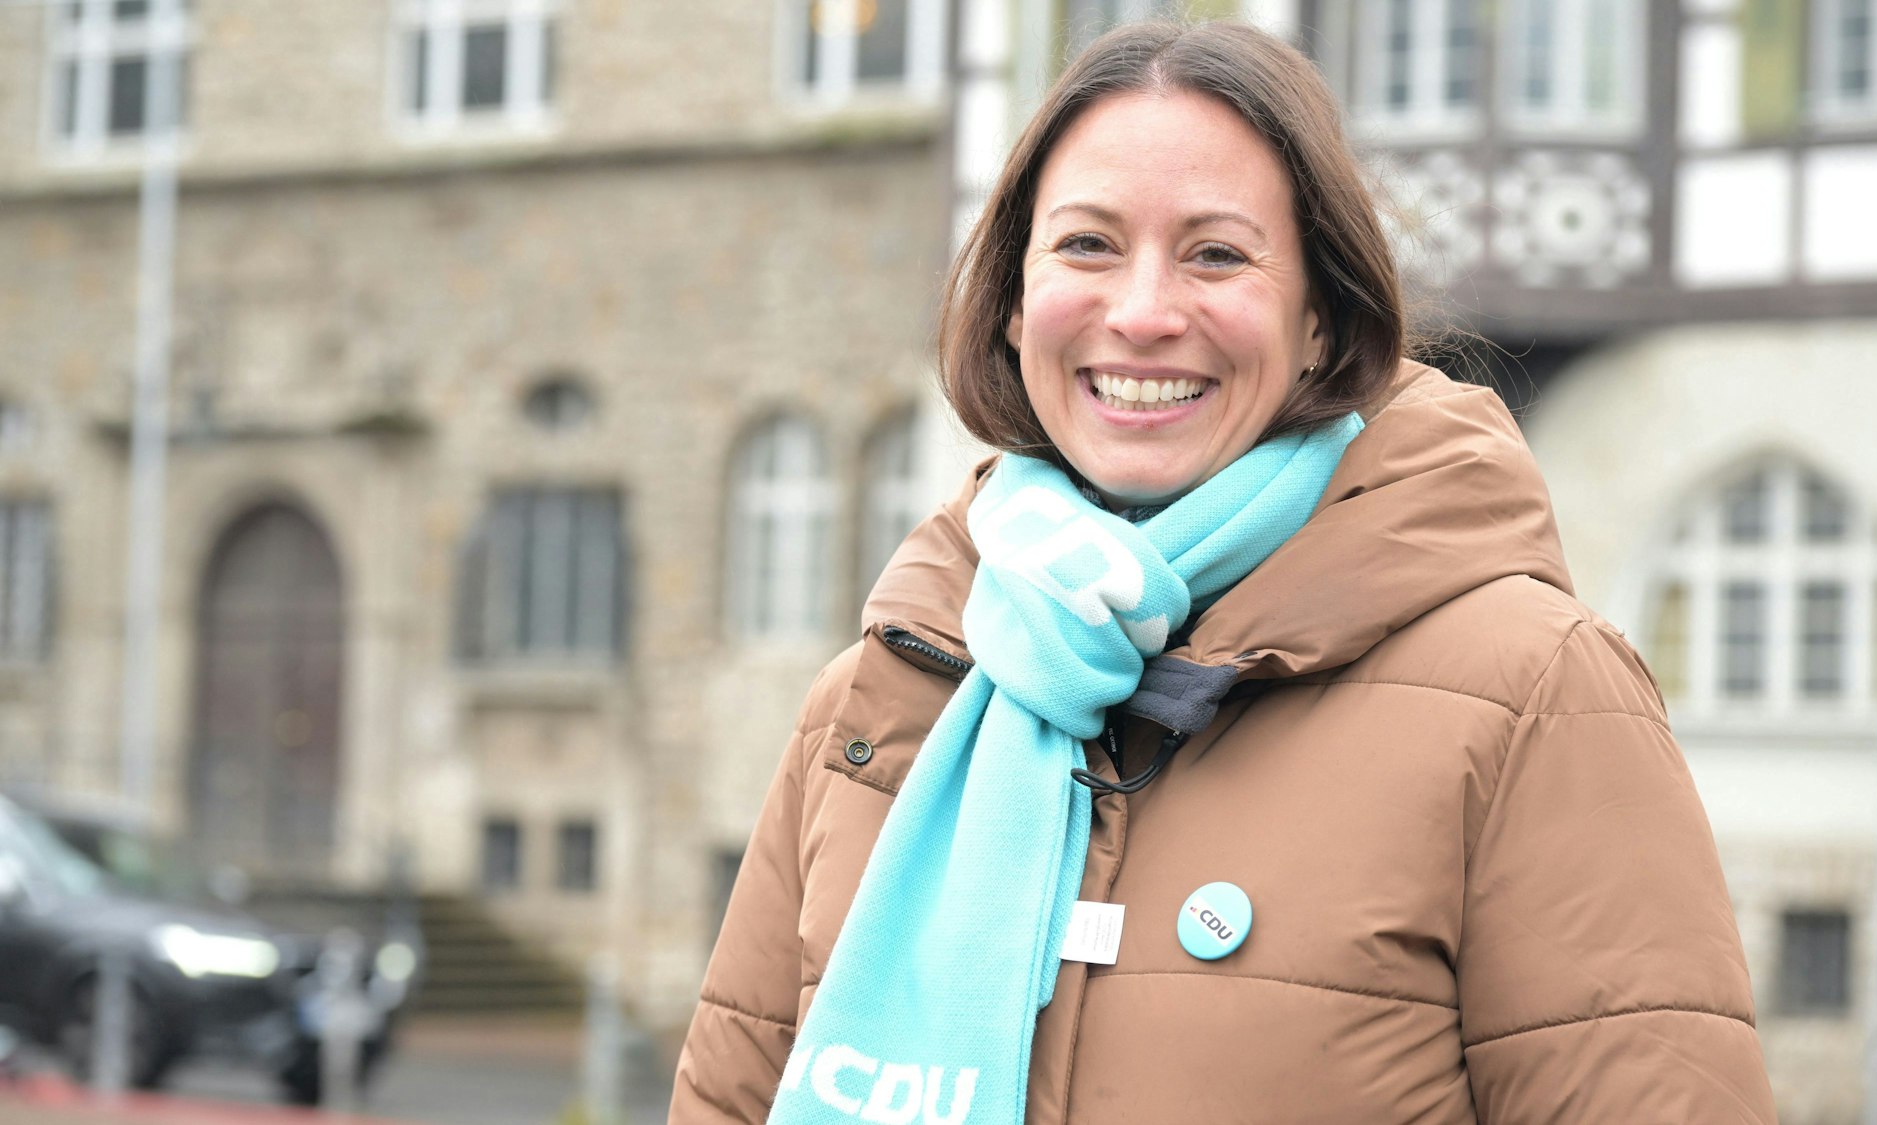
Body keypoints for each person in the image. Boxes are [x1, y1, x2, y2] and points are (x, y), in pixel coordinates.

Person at [672, 20, 1777, 1125]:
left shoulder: (1531, 695)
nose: (1143, 314)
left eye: (1215, 254)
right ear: (1013, 304)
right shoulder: (877, 703)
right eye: (1087, 246)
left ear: (1317, 321)